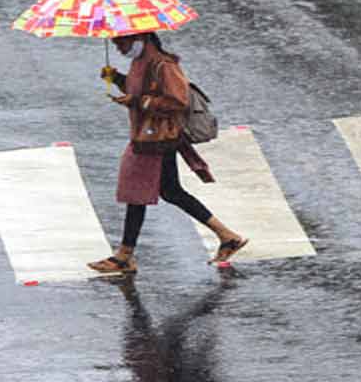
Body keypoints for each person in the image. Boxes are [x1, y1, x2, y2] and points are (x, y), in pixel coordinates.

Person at [87, 32, 248, 274]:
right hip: (148, 137)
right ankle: (227, 236)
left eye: (122, 42)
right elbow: (139, 90)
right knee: (165, 191)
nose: (119, 48)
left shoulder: (165, 65)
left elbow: (178, 101)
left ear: (142, 39)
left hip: (158, 138)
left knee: (139, 193)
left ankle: (124, 256)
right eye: (116, 44)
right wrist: (117, 78)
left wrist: (138, 102)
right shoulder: (141, 62)